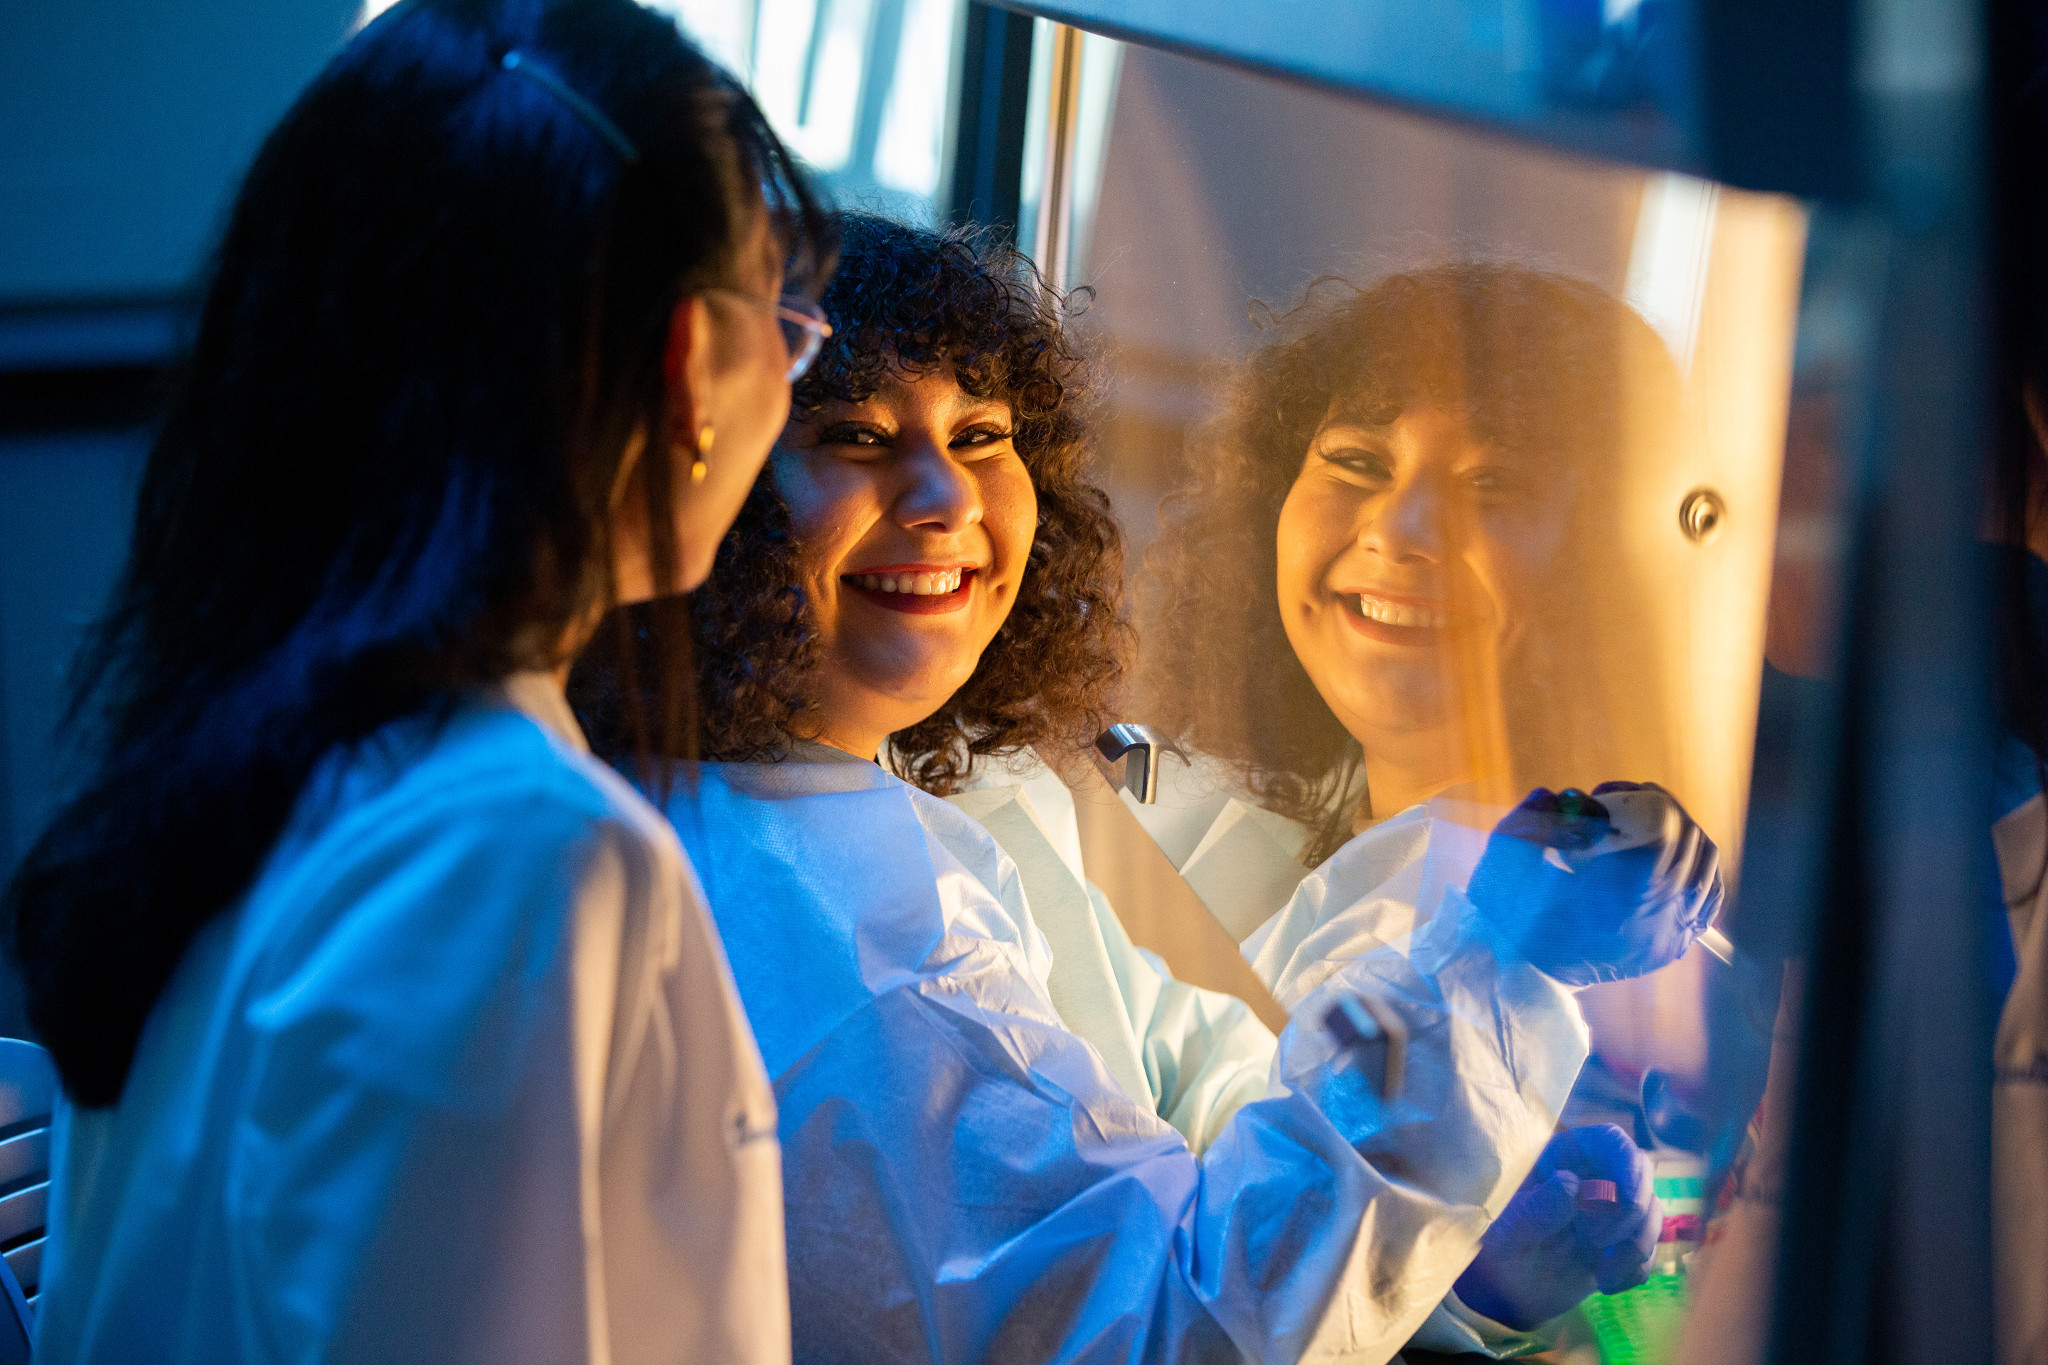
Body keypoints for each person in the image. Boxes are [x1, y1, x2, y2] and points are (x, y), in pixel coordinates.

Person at [577, 215, 1701, 1360]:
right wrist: (1497, 962)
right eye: (855, 436)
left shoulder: (929, 802)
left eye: (980, 435)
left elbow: (1184, 1082)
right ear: (691, 493)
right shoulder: (830, 904)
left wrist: (1473, 1262)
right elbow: (1176, 1324)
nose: (945, 498)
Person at [1, 3, 834, 1361]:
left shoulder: (238, 774)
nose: (791, 375)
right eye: (786, 323)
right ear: (687, 359)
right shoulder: (526, 860)